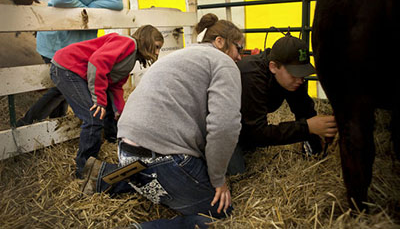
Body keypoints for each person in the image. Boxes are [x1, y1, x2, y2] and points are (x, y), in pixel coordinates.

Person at [80, 13, 244, 229]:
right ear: (220, 42)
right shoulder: (224, 63)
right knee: (220, 212)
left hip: (126, 150)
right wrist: (218, 180)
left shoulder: (180, 55)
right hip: (164, 160)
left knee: (151, 169)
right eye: (239, 48)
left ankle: (106, 177)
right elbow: (224, 127)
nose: (240, 56)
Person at [17, 0, 123, 127]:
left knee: (61, 87)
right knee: (62, 86)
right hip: (57, 42)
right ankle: (28, 123)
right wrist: (84, 8)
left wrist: (93, 5)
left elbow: (118, 2)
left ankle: (52, 125)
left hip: (74, 46)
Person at [50, 26, 164, 179]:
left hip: (76, 71)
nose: (157, 53)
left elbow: (115, 86)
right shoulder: (127, 43)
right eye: (156, 47)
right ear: (146, 39)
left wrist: (121, 112)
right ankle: (84, 170)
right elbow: (97, 63)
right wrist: (99, 100)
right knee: (94, 116)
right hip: (68, 68)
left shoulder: (132, 58)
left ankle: (112, 140)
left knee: (107, 111)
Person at [227, 34, 338, 174]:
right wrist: (308, 128)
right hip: (221, 128)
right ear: (273, 67)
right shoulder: (251, 76)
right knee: (237, 173)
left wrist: (316, 141)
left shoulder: (291, 79)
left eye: (303, 74)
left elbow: (304, 109)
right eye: (294, 74)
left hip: (246, 123)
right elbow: (257, 133)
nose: (300, 80)